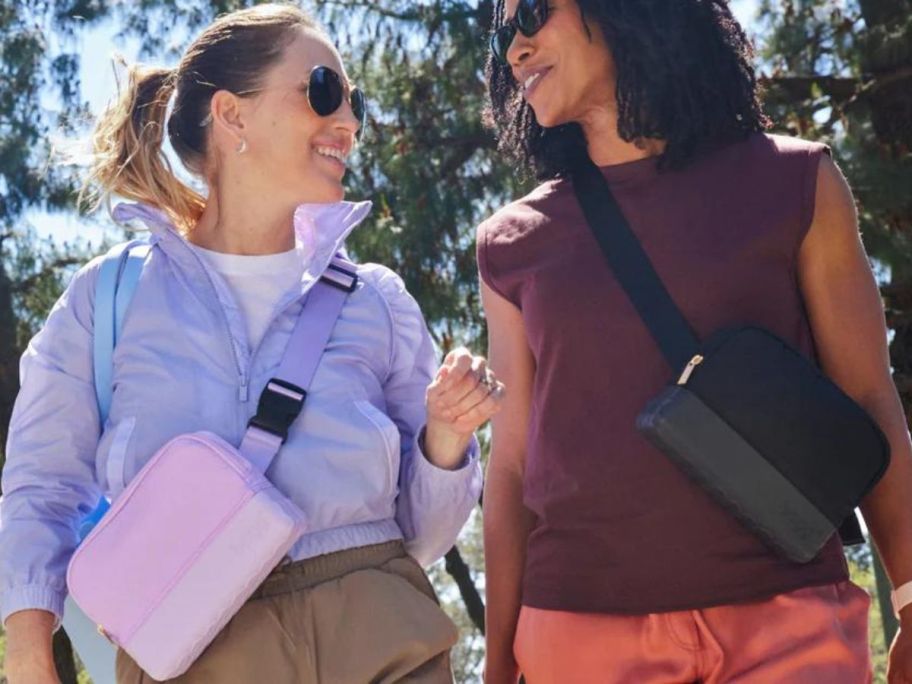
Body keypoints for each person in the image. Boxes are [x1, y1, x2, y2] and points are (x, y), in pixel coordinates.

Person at [0, 5, 501, 683]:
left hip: (382, 636)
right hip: (194, 654)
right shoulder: (107, 300)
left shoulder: (375, 300)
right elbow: (39, 487)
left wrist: (446, 437)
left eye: (358, 101)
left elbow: (424, 534)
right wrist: (30, 656)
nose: (351, 122)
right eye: (325, 90)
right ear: (232, 116)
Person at [479, 0, 912, 682]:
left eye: (530, 12)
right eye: (501, 32)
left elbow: (868, 398)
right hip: (582, 640)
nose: (514, 50)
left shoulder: (796, 182)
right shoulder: (510, 246)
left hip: (790, 623)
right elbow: (510, 468)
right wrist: (498, 666)